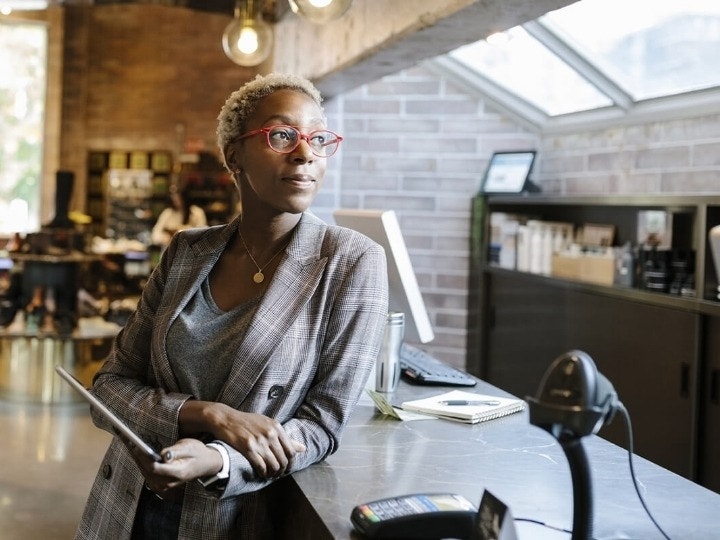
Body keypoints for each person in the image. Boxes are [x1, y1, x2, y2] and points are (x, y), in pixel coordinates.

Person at [75, 73, 389, 539]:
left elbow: (324, 426)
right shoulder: (186, 251)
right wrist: (206, 414)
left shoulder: (350, 261)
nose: (305, 153)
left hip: (230, 518)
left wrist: (219, 460)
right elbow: (109, 388)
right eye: (282, 135)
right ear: (233, 155)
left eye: (318, 138)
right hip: (127, 505)